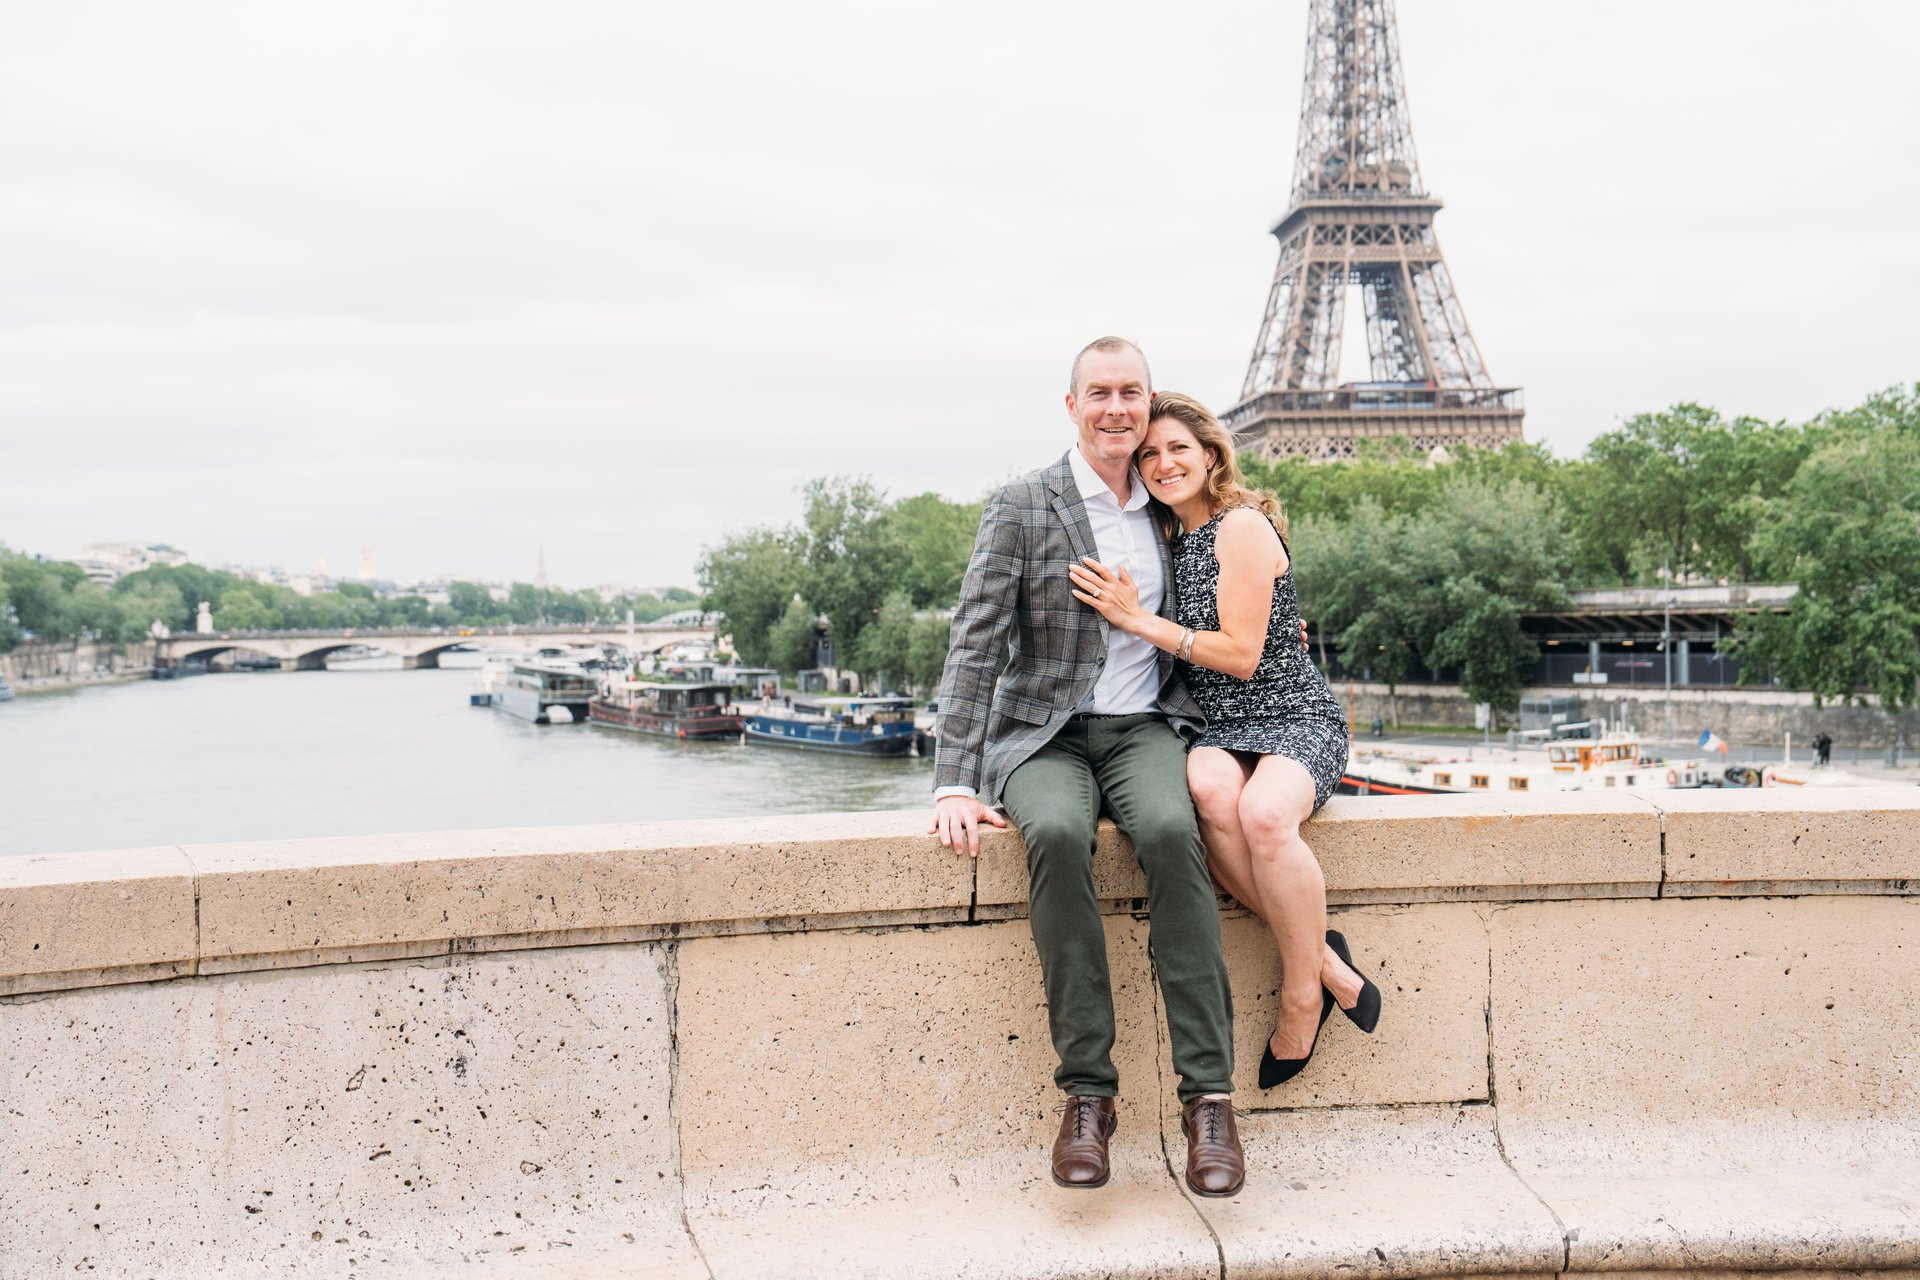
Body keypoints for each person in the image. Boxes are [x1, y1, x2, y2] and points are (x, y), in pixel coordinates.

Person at [929, 337, 1244, 1198]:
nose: (1116, 408)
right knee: (1060, 836)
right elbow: (976, 644)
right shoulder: (1022, 505)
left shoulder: (1171, 502)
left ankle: (1209, 1100)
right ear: (1072, 406)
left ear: (1150, 401)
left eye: (1130, 392)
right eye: (1098, 393)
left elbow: (1235, 597)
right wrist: (954, 779)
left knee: (1174, 832)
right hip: (1045, 733)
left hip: (1144, 726)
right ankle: (1087, 1096)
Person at [1069, 391, 1381, 1090]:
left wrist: (1137, 620)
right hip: (1218, 726)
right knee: (1206, 793)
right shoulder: (1164, 540)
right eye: (1149, 454)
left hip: (1293, 714)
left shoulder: (1240, 526)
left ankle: (1302, 997)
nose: (1163, 463)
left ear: (1211, 454)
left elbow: (1242, 655)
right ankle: (1327, 961)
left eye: (1178, 448)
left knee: (1265, 814)